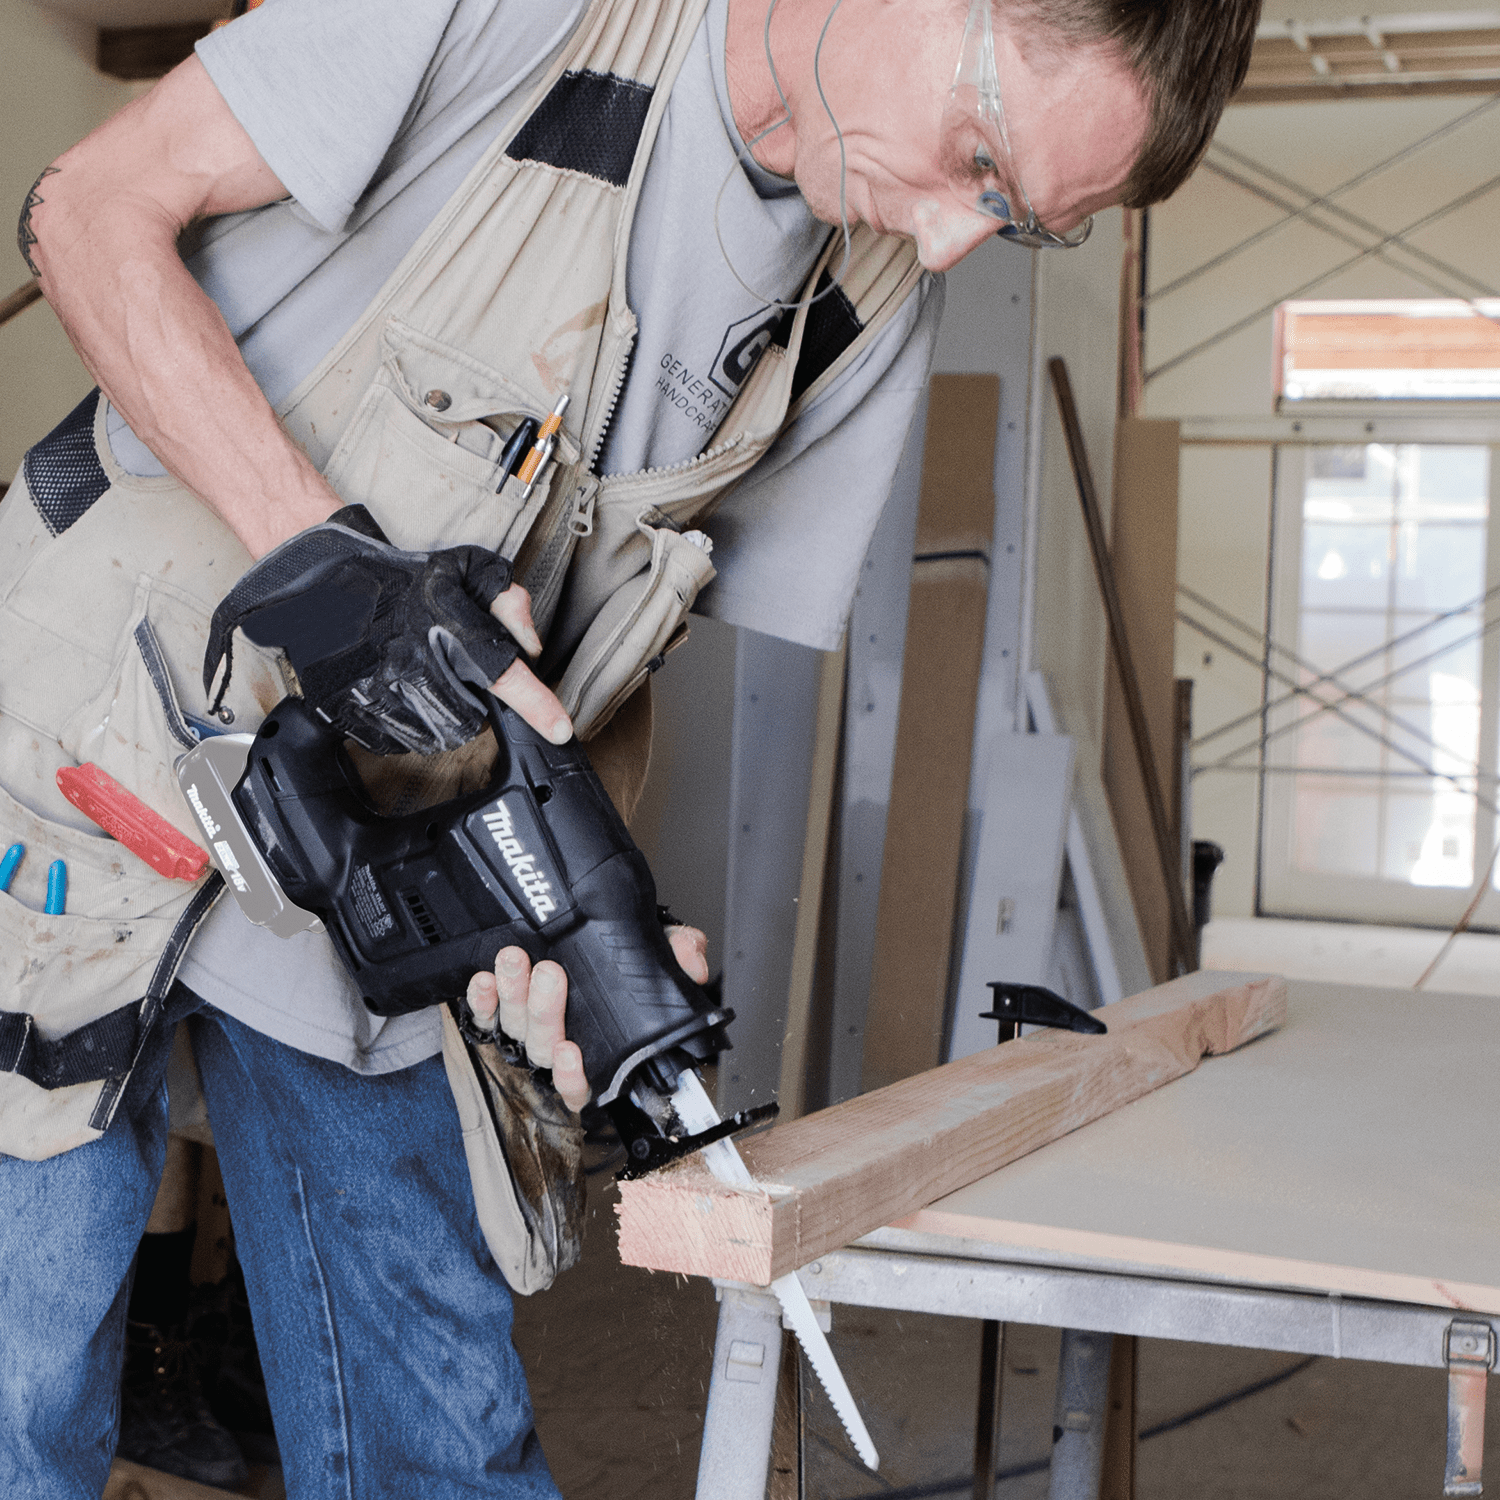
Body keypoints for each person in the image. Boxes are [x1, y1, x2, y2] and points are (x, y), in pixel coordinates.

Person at [0, 0, 1258, 1493]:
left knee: (443, 1435)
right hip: (80, 769)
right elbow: (82, 210)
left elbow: (601, 660)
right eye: (979, 161)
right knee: (21, 1391)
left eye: (1020, 222)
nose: (944, 246)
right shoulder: (524, 17)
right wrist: (327, 567)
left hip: (373, 848)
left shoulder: (859, 308)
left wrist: (575, 917)